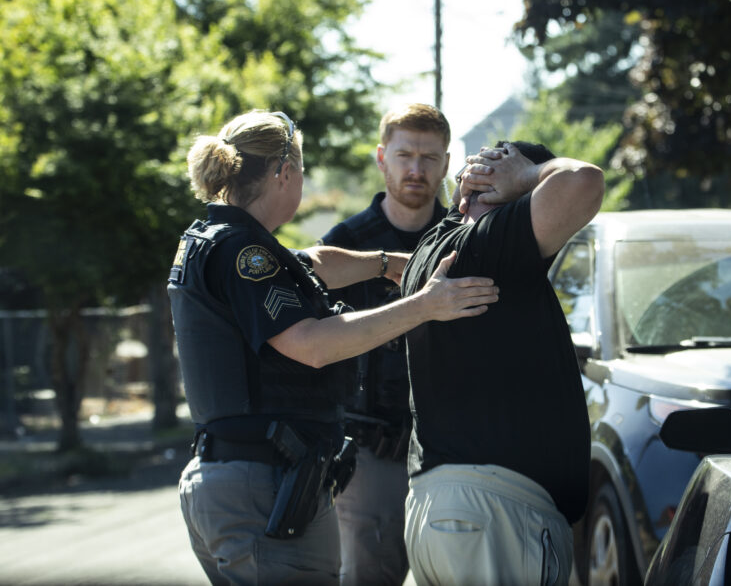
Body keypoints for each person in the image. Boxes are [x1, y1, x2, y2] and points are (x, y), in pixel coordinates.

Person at [168, 109, 498, 585]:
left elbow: (313, 262)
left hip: (233, 481)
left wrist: (386, 263)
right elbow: (313, 344)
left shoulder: (216, 238)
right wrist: (426, 305)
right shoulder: (245, 252)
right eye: (300, 169)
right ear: (285, 173)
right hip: (261, 484)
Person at [400, 140, 605, 586]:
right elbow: (585, 182)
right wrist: (529, 176)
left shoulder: (434, 245)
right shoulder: (488, 247)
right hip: (492, 515)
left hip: (439, 511)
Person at [317, 102, 450, 585]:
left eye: (429, 158)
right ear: (381, 158)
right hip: (371, 456)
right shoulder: (345, 245)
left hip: (453, 449)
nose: (416, 169)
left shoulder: (468, 239)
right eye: (404, 155)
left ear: (447, 164)